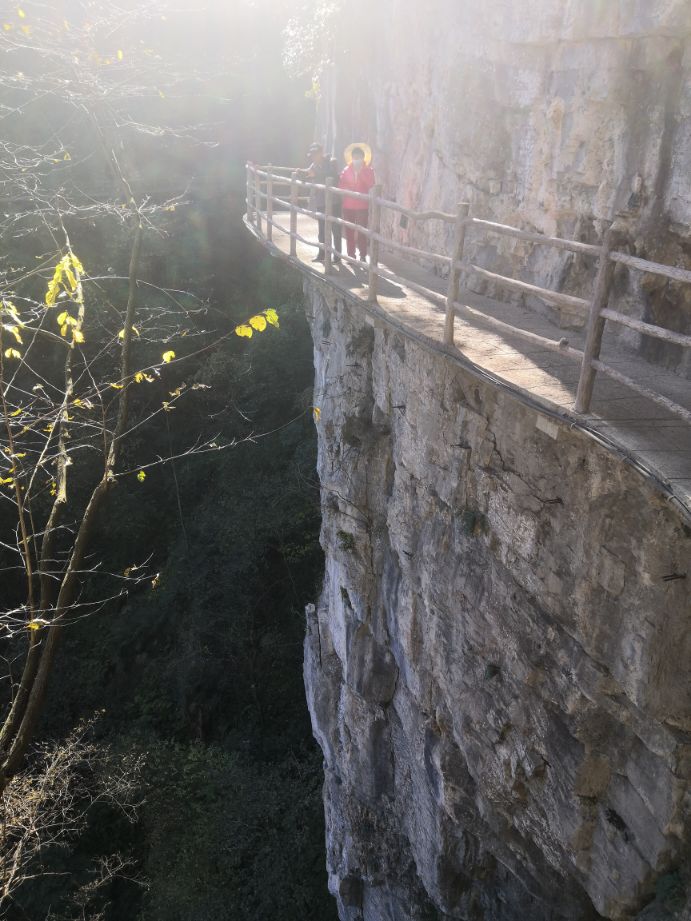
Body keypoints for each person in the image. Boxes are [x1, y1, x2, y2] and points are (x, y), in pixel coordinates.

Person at [299, 142, 341, 264]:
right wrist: (301, 173)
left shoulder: (331, 162)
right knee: (322, 229)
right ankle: (322, 254)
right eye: (312, 155)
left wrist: (315, 174)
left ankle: (337, 256)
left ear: (321, 153)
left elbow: (333, 176)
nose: (313, 156)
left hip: (334, 201)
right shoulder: (313, 165)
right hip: (321, 201)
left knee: (336, 229)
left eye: (315, 154)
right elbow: (308, 176)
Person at [339, 144, 375, 261]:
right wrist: (347, 189)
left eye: (359, 157)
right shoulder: (346, 170)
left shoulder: (369, 170)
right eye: (355, 157)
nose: (356, 159)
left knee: (361, 232)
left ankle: (363, 255)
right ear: (351, 158)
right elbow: (341, 185)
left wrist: (360, 173)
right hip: (348, 205)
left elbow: (371, 184)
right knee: (349, 231)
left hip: (362, 206)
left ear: (363, 158)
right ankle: (351, 255)